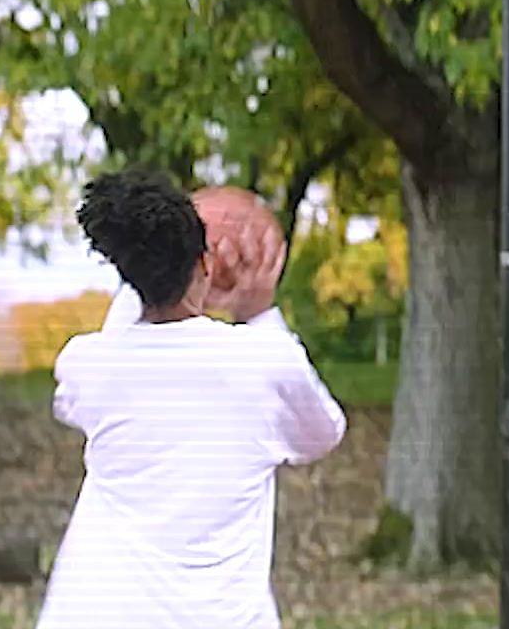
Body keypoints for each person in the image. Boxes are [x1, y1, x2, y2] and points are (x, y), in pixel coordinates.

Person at [36, 168, 346, 629]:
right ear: (204, 264)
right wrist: (259, 314)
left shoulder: (87, 364)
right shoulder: (265, 360)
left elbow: (125, 332)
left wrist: (149, 266)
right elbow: (323, 435)